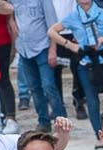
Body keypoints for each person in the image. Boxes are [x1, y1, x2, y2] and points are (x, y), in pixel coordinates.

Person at [49, 0, 103, 136]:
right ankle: (99, 135)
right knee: (92, 101)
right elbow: (52, 31)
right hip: (85, 62)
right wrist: (69, 45)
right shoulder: (73, 16)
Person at [14, 0, 67, 131]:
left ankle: (61, 120)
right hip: (24, 49)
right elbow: (12, 20)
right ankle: (43, 121)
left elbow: (52, 25)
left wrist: (53, 49)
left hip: (43, 47)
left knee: (49, 86)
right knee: (34, 88)